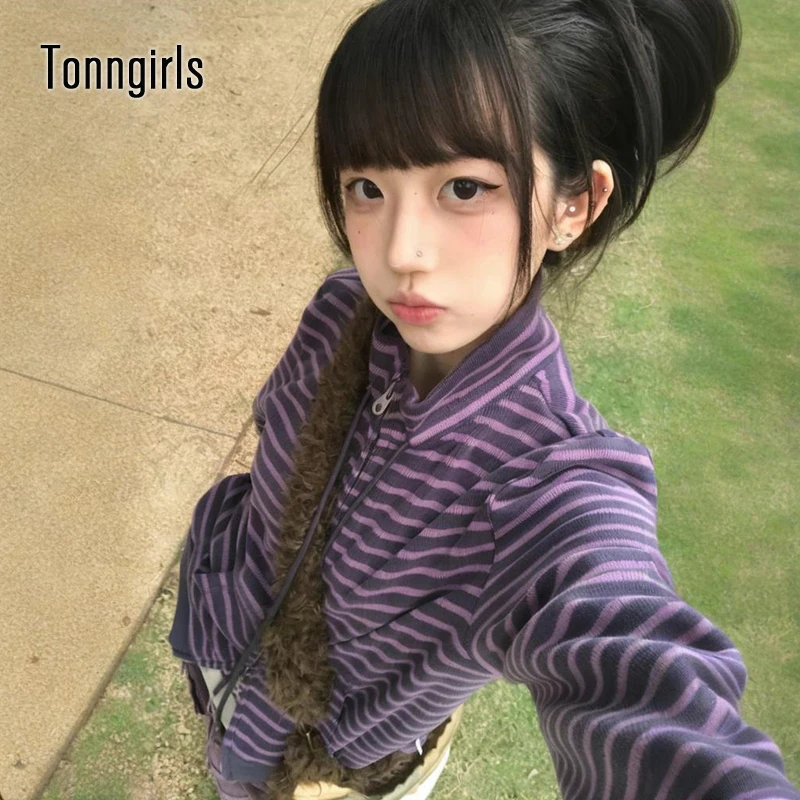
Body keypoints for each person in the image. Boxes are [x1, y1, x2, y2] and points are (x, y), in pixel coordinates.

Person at [168, 0, 800, 798]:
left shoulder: (549, 484)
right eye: (367, 186)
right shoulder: (339, 310)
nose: (400, 252)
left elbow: (633, 667)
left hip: (327, 769)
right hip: (220, 644)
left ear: (575, 205)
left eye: (464, 187)